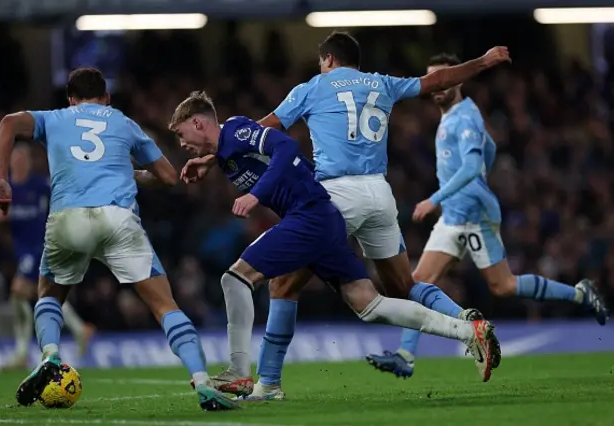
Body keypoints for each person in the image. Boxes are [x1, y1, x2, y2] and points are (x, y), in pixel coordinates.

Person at [204, 31, 511, 399]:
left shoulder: (313, 87)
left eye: (322, 61)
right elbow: (438, 81)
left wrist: (213, 155)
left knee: (283, 283)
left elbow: (260, 131)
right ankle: (467, 323)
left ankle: (268, 383)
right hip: (380, 193)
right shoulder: (382, 83)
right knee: (403, 285)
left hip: (335, 196)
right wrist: (482, 61)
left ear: (329, 59)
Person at [0, 68, 238, 411]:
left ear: (71, 99)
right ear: (106, 98)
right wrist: (129, 172)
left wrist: (1, 179)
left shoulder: (55, 118)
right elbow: (167, 177)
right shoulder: (123, 123)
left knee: (49, 294)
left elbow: (7, 124)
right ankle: (202, 381)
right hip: (118, 218)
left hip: (68, 218)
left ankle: (50, 355)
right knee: (165, 305)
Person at [367, 53, 609, 377]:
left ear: (459, 80)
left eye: (445, 79)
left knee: (503, 286)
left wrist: (433, 199)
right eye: (434, 81)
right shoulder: (452, 116)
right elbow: (490, 147)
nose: (439, 87)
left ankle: (580, 293)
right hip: (454, 214)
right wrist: (476, 177)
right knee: (418, 282)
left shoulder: (465, 117)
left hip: (473, 215)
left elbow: (470, 165)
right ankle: (405, 357)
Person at [0, 144, 94, 372]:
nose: (20, 164)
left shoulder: (39, 185)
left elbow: (62, 196)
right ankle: (78, 329)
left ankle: (22, 353)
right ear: (11, 163)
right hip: (21, 250)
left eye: (23, 159)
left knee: (18, 292)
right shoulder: (8, 188)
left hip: (40, 247)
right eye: (16, 160)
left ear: (28, 162)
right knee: (42, 295)